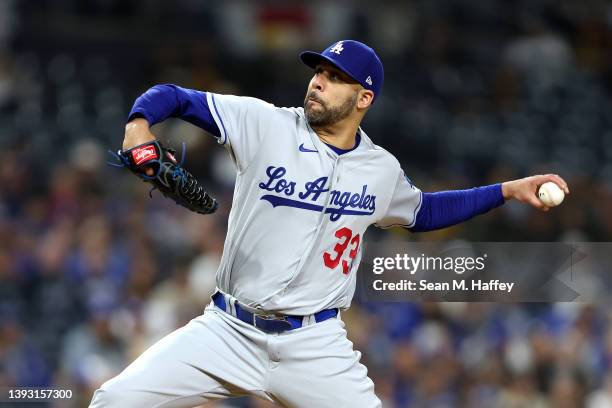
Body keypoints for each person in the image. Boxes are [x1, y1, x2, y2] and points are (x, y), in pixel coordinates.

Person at [89, 40, 569, 407]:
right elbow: (172, 96)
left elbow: (424, 213)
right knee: (112, 400)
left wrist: (506, 190)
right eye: (318, 71)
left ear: (364, 97)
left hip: (312, 344)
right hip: (227, 331)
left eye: (334, 76)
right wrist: (138, 126)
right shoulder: (265, 124)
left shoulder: (380, 169)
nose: (318, 81)